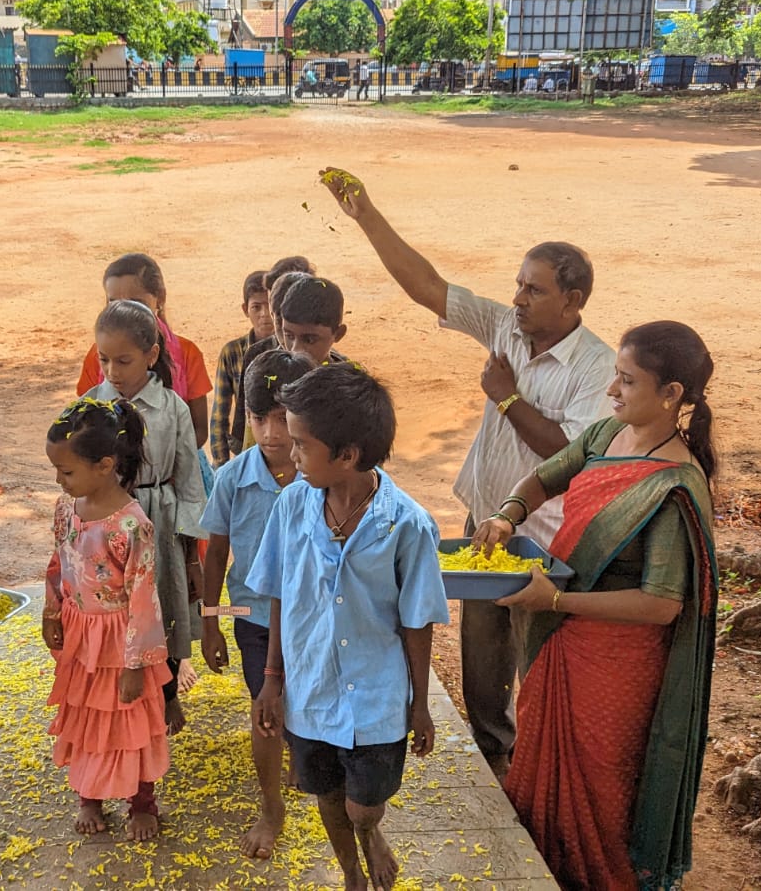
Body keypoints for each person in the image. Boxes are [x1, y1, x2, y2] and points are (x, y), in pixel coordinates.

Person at [319, 167, 613, 779]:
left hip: (547, 538)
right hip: (487, 522)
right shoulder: (506, 327)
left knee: (538, 653)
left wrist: (507, 399)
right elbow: (428, 286)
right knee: (483, 651)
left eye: (534, 290)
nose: (518, 299)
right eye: (518, 285)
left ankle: (540, 766)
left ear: (573, 301)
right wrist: (365, 214)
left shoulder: (596, 367)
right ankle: (493, 754)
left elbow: (570, 453)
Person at [472, 321, 719, 891]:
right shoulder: (608, 433)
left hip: (616, 663)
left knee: (599, 785)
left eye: (627, 381)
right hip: (563, 639)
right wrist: (507, 515)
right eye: (615, 375)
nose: (612, 389)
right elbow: (542, 478)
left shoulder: (673, 485)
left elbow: (661, 604)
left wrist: (557, 599)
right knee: (542, 757)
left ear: (671, 394)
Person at [248, 364, 449, 891]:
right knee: (327, 794)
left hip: (377, 697)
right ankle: (352, 873)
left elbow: (418, 620)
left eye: (301, 444)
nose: (291, 454)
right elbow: (278, 591)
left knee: (364, 804)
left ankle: (369, 830)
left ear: (348, 455)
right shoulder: (291, 506)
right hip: (311, 686)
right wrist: (272, 678)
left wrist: (420, 703)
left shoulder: (407, 525)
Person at [198, 349, 318, 860]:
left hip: (313, 617)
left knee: (303, 704)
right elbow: (216, 554)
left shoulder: (322, 479)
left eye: (282, 419)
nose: (271, 433)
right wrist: (211, 622)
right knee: (264, 708)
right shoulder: (232, 479)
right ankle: (272, 809)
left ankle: (302, 761)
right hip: (251, 617)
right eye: (259, 418)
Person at [45, 397, 172, 842]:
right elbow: (59, 562)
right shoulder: (66, 508)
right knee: (85, 716)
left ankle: (142, 803)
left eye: (66, 472)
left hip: (122, 642)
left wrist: (136, 664)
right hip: (81, 636)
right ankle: (89, 795)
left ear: (104, 466)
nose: (59, 481)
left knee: (129, 721)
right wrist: (51, 610)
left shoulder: (131, 526)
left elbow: (144, 599)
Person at [85, 300, 207, 734]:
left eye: (123, 361)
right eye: (104, 360)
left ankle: (167, 694)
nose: (112, 371)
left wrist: (191, 557)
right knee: (114, 613)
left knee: (163, 608)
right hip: (104, 530)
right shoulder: (89, 406)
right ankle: (116, 696)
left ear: (151, 355)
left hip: (159, 525)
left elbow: (190, 483)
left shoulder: (172, 408)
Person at [76, 254, 212, 450]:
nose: (125, 312)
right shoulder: (96, 356)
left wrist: (163, 460)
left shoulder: (188, 354)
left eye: (136, 302)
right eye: (113, 302)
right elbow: (84, 426)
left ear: (160, 298)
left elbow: (199, 430)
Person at [238, 272, 351, 451]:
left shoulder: (349, 386)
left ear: (338, 334)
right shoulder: (263, 371)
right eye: (288, 335)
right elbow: (250, 440)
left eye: (310, 339)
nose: (296, 349)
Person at [209, 270, 274, 466]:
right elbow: (219, 415)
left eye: (270, 305)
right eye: (256, 307)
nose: (265, 314)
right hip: (246, 447)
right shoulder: (232, 353)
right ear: (246, 310)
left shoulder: (291, 350)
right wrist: (221, 465)